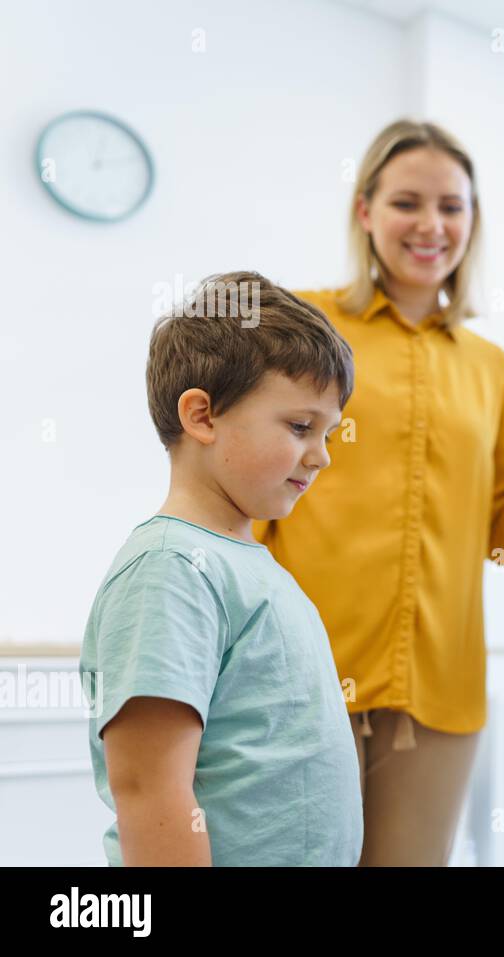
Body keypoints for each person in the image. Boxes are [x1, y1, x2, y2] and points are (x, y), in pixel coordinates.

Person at [253, 119, 504, 865]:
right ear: (366, 212)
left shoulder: (491, 367)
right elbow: (249, 485)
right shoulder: (302, 325)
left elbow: (501, 535)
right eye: (407, 202)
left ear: (471, 221)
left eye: (452, 206)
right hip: (300, 676)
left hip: (441, 692)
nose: (431, 225)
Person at [81, 272, 361, 866]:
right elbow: (150, 790)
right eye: (300, 427)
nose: (322, 454)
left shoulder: (250, 565)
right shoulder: (170, 570)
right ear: (202, 416)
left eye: (328, 432)